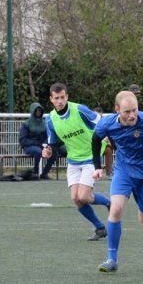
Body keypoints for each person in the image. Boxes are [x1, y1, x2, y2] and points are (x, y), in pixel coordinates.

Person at [90, 89, 143, 273]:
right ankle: (111, 259)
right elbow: (96, 139)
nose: (132, 115)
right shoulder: (108, 123)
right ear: (117, 110)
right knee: (116, 208)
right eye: (127, 111)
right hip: (124, 171)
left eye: (135, 110)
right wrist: (97, 166)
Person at [41, 83, 112, 241]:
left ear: (67, 96)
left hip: (90, 157)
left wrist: (106, 136)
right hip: (73, 160)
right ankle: (100, 228)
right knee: (76, 199)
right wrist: (47, 151)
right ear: (51, 99)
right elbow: (51, 143)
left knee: (84, 196)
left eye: (62, 97)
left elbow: (100, 122)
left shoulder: (80, 110)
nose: (60, 101)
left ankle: (109, 203)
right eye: (56, 98)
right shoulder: (51, 119)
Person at [19, 102, 56, 179]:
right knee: (38, 151)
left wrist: (45, 144)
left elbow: (48, 136)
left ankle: (44, 173)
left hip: (42, 145)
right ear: (33, 111)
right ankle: (35, 173)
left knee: (53, 151)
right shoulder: (26, 124)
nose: (39, 112)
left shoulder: (44, 123)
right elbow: (23, 140)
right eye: (37, 111)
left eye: (40, 111)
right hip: (29, 146)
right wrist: (36, 143)